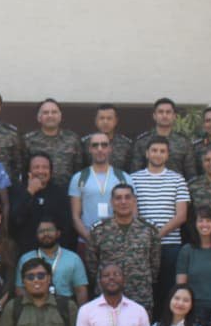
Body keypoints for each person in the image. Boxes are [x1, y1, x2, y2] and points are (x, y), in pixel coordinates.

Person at [128, 136, 190, 307]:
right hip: (142, 245)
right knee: (144, 291)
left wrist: (156, 235)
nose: (158, 154)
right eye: (154, 150)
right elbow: (133, 214)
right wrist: (148, 237)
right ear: (147, 153)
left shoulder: (178, 180)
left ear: (168, 155)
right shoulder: (133, 179)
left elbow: (181, 216)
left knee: (169, 291)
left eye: (162, 151)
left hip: (170, 246)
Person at [84, 184, 160, 312]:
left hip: (140, 295)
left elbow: (154, 264)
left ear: (134, 201)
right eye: (118, 198)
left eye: (127, 197)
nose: (123, 202)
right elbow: (92, 265)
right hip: (108, 296)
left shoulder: (148, 229)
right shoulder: (99, 230)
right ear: (112, 202)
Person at [70, 130, 133, 246]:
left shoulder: (125, 177)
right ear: (90, 149)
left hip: (118, 242)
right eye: (95, 145)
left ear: (110, 148)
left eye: (104, 145)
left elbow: (133, 213)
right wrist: (90, 239)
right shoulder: (78, 178)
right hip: (87, 242)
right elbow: (75, 216)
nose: (100, 149)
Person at [9, 153, 75, 254]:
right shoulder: (18, 191)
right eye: (36, 167)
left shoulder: (60, 193)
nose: (41, 171)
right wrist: (30, 192)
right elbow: (15, 220)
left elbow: (66, 228)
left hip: (54, 252)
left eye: (45, 167)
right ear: (29, 171)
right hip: (26, 252)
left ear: (51, 171)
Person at [15, 220, 89, 306]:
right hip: (33, 306)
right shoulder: (25, 259)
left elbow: (81, 290)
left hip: (65, 308)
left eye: (50, 230)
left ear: (58, 233)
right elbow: (20, 288)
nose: (46, 234)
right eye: (41, 231)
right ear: (36, 235)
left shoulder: (73, 258)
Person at [22, 98, 81, 190]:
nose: (50, 115)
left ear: (60, 116)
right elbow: (24, 169)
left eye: (54, 112)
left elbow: (78, 168)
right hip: (38, 190)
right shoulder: (28, 140)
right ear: (39, 117)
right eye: (46, 113)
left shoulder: (72, 139)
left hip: (66, 191)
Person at [130, 97, 196, 178]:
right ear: (154, 116)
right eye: (161, 112)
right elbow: (135, 171)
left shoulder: (184, 142)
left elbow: (191, 175)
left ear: (174, 116)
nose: (164, 115)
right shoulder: (142, 141)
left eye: (168, 112)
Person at [81, 103, 134, 178]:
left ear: (116, 121)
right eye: (102, 118)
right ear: (96, 121)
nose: (105, 122)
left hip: (119, 184)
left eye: (109, 118)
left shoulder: (126, 144)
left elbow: (130, 170)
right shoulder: (85, 143)